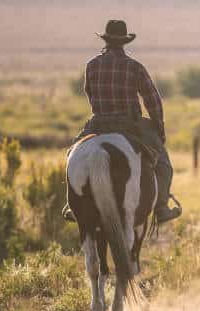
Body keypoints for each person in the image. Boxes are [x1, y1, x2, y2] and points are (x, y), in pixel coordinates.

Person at [63, 20, 180, 224]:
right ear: (124, 42)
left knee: (72, 156)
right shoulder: (135, 68)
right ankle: (161, 206)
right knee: (163, 165)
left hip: (98, 123)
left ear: (106, 40)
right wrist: (159, 131)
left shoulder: (91, 66)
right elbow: (153, 101)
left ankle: (74, 204)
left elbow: (90, 95)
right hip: (130, 124)